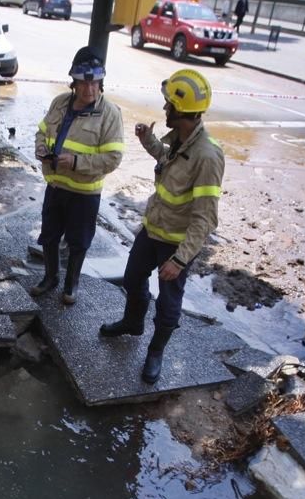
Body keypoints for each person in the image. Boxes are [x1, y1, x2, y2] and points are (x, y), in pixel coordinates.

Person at [100, 69, 224, 384]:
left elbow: (205, 216)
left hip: (176, 245)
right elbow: (168, 161)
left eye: (169, 105)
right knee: (132, 278)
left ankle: (155, 352)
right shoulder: (181, 141)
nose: (165, 109)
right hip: (152, 230)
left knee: (169, 305)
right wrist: (149, 141)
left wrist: (180, 259)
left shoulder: (207, 157)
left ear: (181, 111)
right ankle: (132, 323)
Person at [31, 46, 124, 305]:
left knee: (78, 242)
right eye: (84, 83)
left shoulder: (110, 114)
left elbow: (113, 158)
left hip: (85, 194)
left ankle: (71, 284)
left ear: (101, 82)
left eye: (95, 83)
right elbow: (41, 131)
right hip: (56, 186)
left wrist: (75, 162)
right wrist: (41, 148)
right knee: (49, 235)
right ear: (74, 82)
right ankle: (50, 278)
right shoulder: (59, 103)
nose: (89, 89)